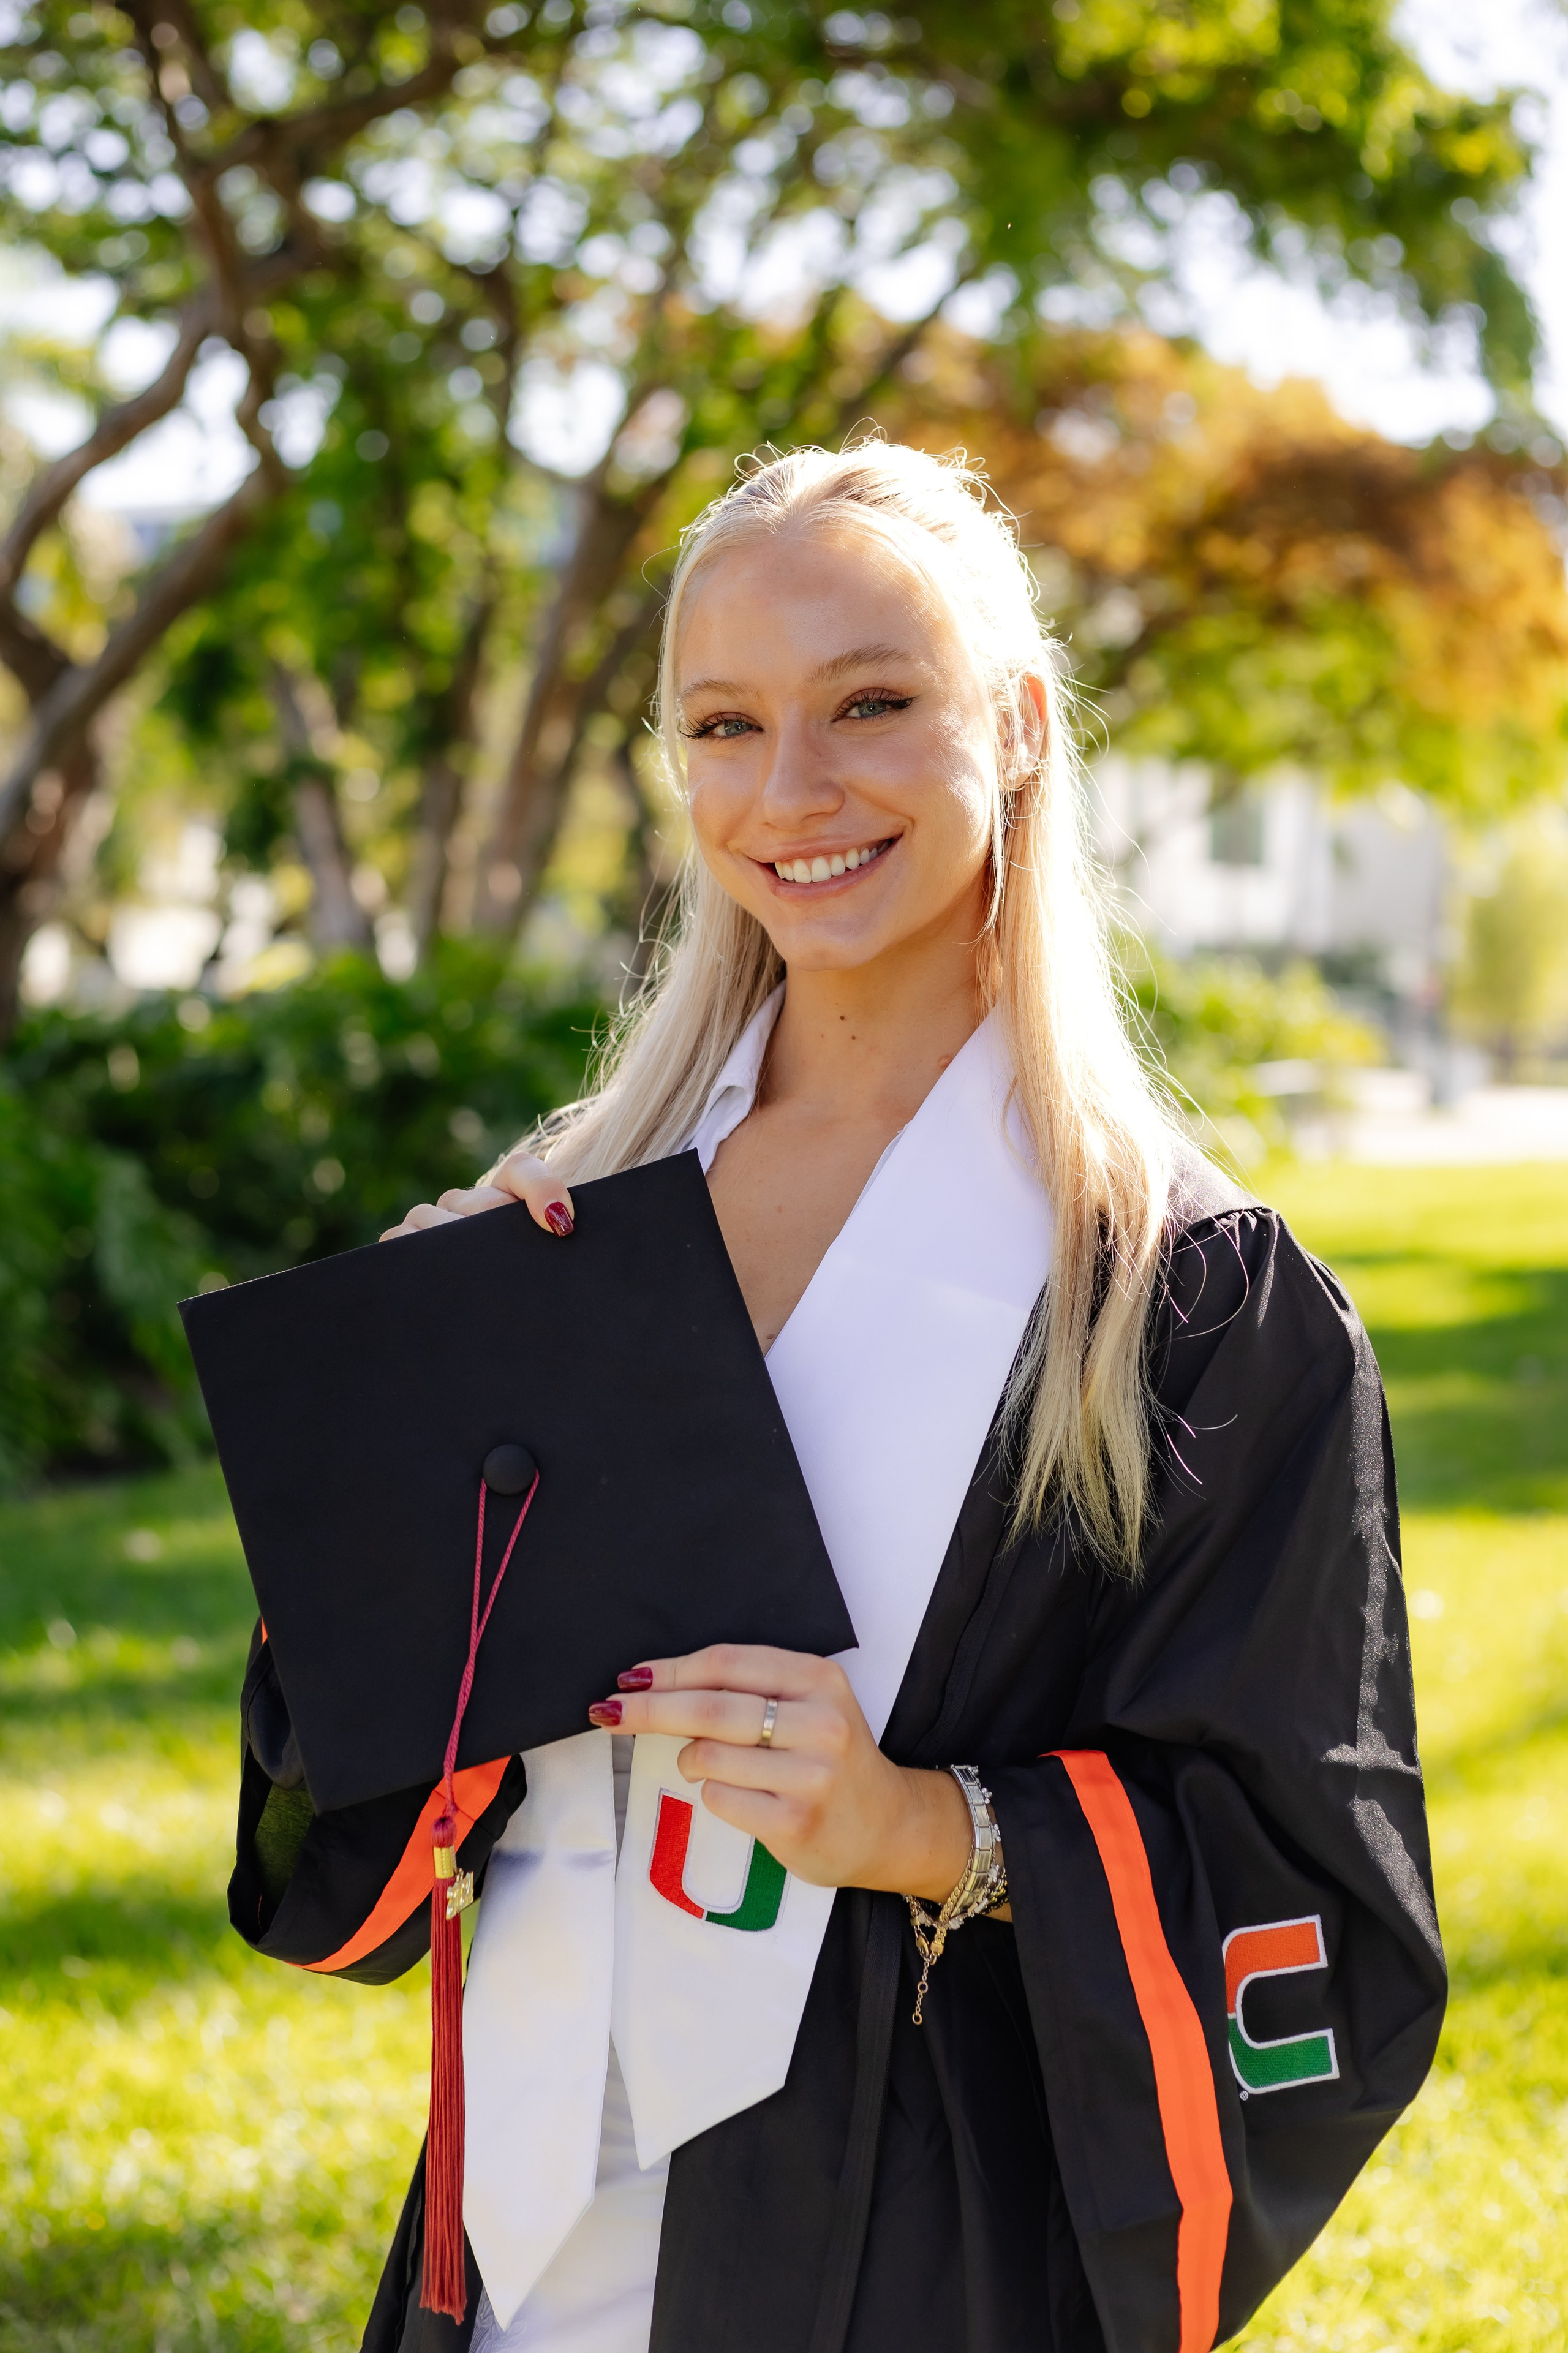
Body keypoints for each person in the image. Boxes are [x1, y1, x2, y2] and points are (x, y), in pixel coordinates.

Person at [238, 440, 1444, 2353]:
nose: (790, 791)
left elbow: (1317, 1897)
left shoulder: (1187, 1304)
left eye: (871, 704)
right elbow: (373, 1786)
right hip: (516, 2225)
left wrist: (926, 1826)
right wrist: (411, 1431)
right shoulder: (587, 1219)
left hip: (895, 2240)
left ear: (1022, 723)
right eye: (724, 725)